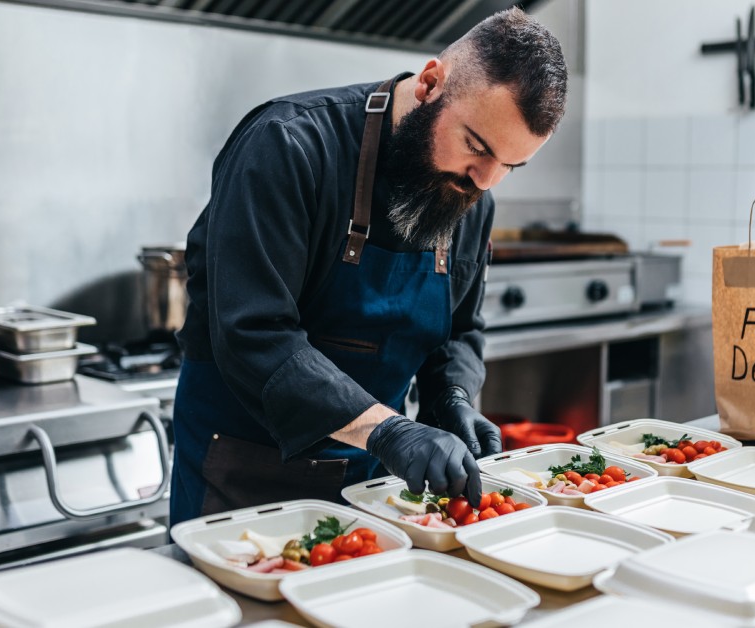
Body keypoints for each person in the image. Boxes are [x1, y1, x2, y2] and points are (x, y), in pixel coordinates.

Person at [169, 7, 568, 526]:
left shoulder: (472, 193)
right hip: (246, 476)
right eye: (476, 146)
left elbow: (459, 329)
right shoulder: (288, 146)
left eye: (511, 166)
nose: (486, 180)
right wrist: (392, 430)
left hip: (376, 486)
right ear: (429, 83)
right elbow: (254, 333)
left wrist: (453, 398)